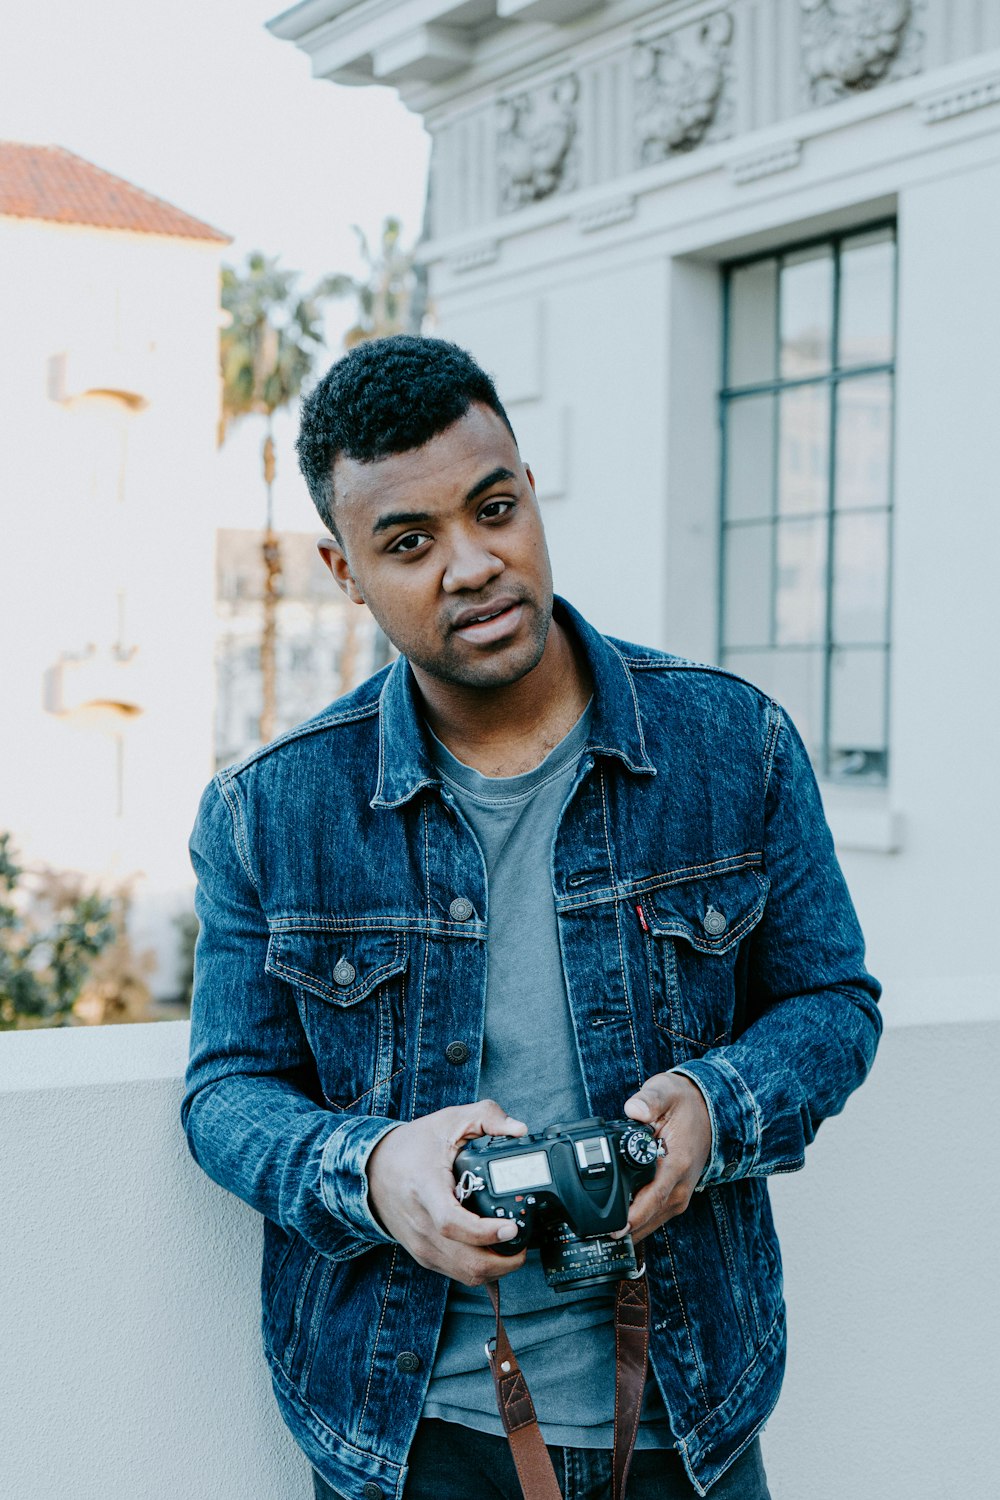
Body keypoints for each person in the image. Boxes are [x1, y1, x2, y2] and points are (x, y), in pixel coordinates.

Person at [182, 335, 881, 1500]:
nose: (472, 565)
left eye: (493, 508)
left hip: (688, 1412)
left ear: (528, 496)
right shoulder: (269, 812)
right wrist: (374, 1169)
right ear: (343, 570)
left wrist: (713, 1108)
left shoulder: (732, 743)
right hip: (402, 1434)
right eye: (408, 542)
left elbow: (832, 1004)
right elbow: (224, 1092)